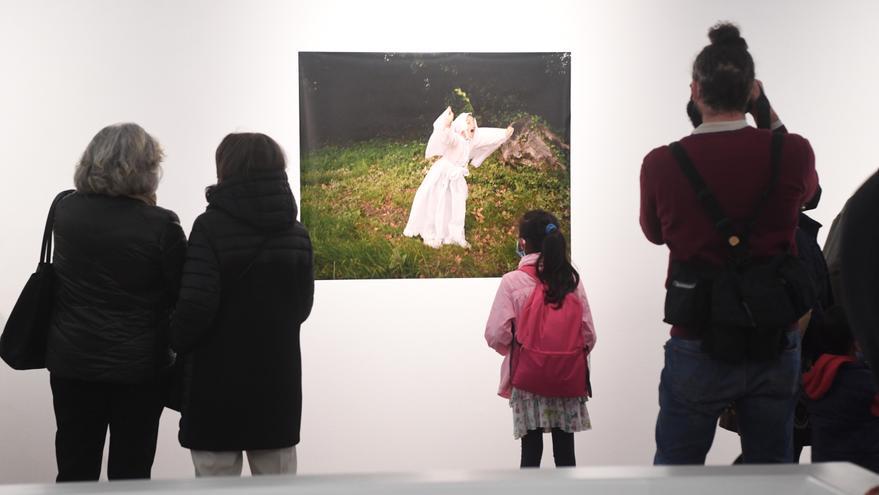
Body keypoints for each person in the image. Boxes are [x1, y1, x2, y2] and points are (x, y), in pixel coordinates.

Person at [639, 23, 818, 464]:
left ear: (695, 90)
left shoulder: (662, 163)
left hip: (697, 333)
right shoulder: (792, 152)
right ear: (751, 91)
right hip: (773, 338)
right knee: (771, 474)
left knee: (676, 476)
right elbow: (812, 197)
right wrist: (767, 112)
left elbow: (654, 232)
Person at [46, 123, 186, 481]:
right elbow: (179, 294)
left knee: (75, 469)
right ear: (147, 168)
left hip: (72, 362)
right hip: (140, 369)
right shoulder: (162, 224)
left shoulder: (66, 211)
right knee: (132, 472)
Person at [169, 133, 314, 477]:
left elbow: (195, 307)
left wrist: (172, 341)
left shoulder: (209, 228)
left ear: (226, 168)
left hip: (216, 381)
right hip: (277, 378)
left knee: (215, 482)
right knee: (278, 482)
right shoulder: (296, 233)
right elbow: (301, 307)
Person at [485, 210, 596, 468]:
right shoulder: (570, 280)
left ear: (523, 243)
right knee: (566, 454)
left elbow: (495, 334)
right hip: (567, 379)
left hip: (528, 381)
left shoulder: (512, 282)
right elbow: (588, 334)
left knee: (531, 453)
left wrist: (521, 351)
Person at [403, 106, 513, 248]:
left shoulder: (472, 141)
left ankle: (454, 234)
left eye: (472, 122)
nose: (471, 124)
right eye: (467, 122)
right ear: (461, 126)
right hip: (442, 175)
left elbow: (487, 136)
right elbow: (446, 137)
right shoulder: (456, 139)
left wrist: (504, 134)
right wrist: (447, 124)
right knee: (436, 201)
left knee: (456, 205)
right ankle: (431, 232)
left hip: (456, 178)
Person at [802, 306, 879, 473]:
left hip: (826, 472)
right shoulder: (863, 382)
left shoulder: (817, 376)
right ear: (856, 343)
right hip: (863, 474)